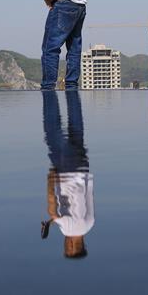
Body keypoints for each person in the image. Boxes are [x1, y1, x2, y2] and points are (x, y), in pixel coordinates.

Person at [41, 90, 93, 259]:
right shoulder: (68, 229)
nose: (65, 244)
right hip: (66, 170)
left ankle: (72, 90)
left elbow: (88, 195)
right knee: (52, 129)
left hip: (82, 168)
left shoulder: (90, 224)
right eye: (66, 248)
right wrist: (51, 179)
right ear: (71, 246)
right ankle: (49, 91)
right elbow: (52, 208)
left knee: (76, 127)